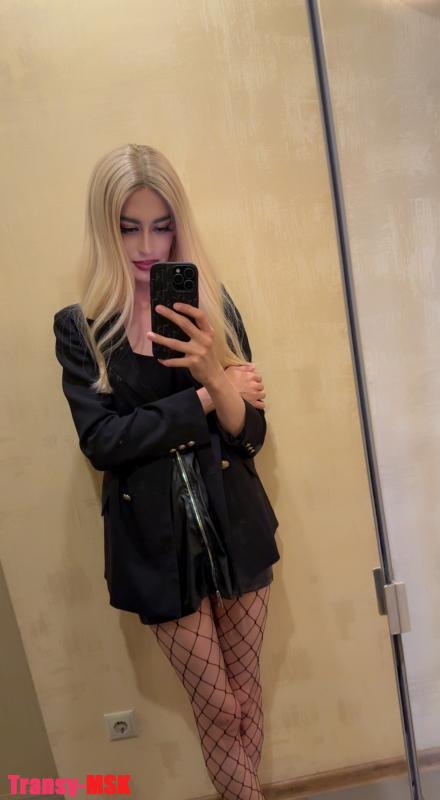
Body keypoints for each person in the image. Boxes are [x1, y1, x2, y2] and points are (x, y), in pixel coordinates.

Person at [53, 143, 280, 799]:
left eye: (162, 225)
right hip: (154, 546)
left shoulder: (213, 307)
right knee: (220, 708)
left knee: (246, 694)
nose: (148, 246)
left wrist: (216, 373)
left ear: (180, 225)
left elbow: (251, 436)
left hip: (234, 525)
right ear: (106, 228)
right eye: (130, 228)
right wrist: (209, 394)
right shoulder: (83, 330)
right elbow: (104, 441)